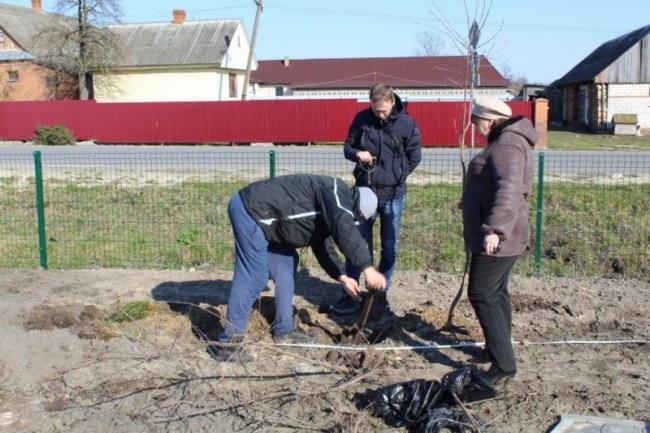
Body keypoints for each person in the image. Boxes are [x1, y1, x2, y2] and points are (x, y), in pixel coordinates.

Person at [211, 174, 386, 362]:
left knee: (287, 264)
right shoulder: (336, 190)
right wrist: (367, 268)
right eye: (357, 217)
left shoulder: (331, 209)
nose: (354, 221)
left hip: (272, 223)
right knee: (255, 277)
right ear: (356, 207)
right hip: (251, 210)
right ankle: (228, 344)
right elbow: (344, 227)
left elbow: (323, 246)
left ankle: (284, 330)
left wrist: (342, 276)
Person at [461, 96, 538, 386]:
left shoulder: (506, 144)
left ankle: (503, 365)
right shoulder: (506, 141)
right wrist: (470, 200)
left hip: (498, 237)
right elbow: (494, 185)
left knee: (481, 293)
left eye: (476, 121)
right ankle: (498, 347)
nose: (475, 127)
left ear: (491, 119)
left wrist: (495, 229)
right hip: (503, 232)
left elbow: (510, 190)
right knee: (497, 291)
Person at [330, 83, 421, 317]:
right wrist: (357, 154)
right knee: (357, 245)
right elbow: (347, 148)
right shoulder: (362, 120)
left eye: (384, 110)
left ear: (392, 102)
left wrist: (397, 175)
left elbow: (415, 156)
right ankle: (350, 295)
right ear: (370, 102)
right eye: (375, 109)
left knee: (389, 247)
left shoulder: (407, 124)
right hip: (364, 193)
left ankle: (380, 294)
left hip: (393, 195)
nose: (380, 114)